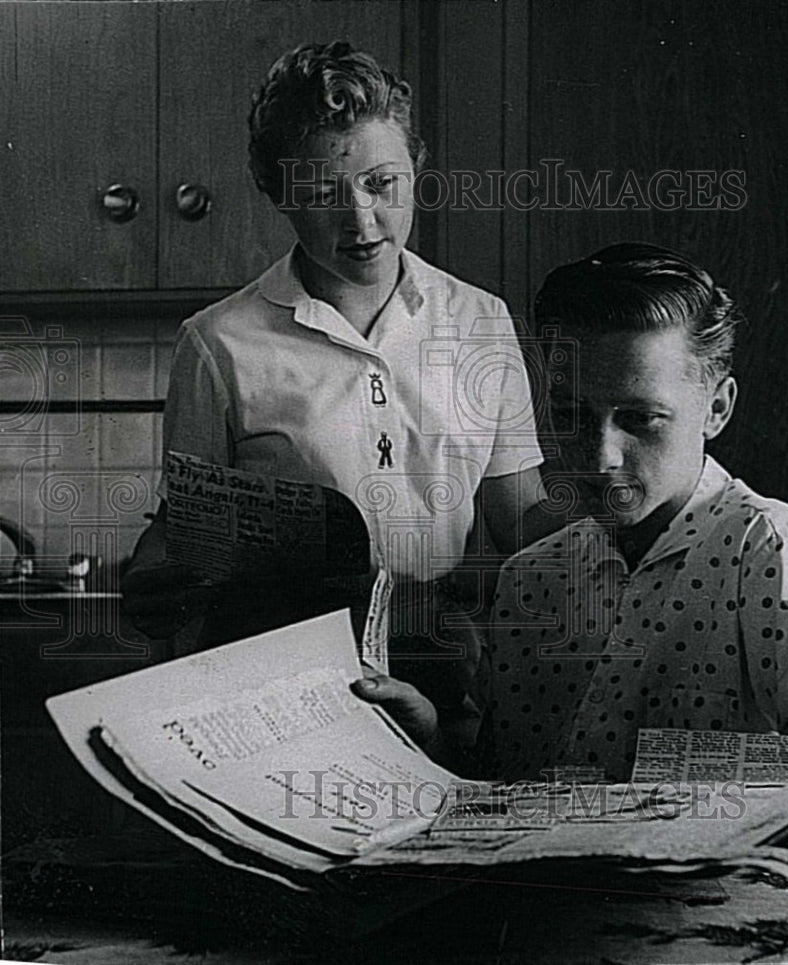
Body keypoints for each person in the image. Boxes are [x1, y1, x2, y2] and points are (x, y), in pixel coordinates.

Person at [354, 242, 788, 860]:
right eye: (570, 414)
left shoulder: (769, 552)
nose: (599, 455)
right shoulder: (532, 576)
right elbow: (512, 791)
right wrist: (430, 745)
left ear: (716, 408)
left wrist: (663, 822)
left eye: (640, 419)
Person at [123, 42, 557, 703]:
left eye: (382, 184)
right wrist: (155, 574)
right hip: (285, 682)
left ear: (415, 167)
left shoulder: (480, 320)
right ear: (274, 192)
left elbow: (520, 520)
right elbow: (185, 530)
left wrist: (624, 544)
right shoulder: (219, 343)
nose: (361, 220)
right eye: (323, 192)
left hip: (446, 669)